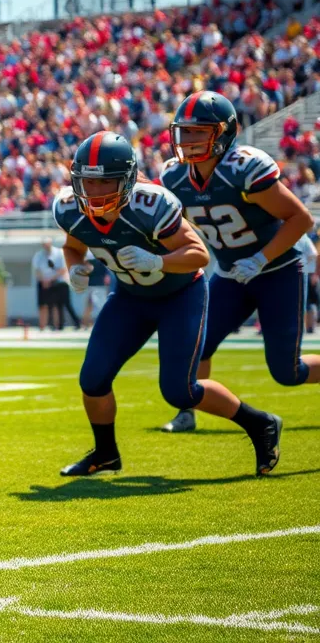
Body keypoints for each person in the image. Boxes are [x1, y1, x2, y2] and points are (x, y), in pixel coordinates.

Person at [57, 132, 282, 476]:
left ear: (129, 179)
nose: (96, 193)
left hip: (180, 294)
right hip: (131, 298)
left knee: (180, 391)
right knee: (93, 379)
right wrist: (74, 267)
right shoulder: (70, 207)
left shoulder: (152, 205)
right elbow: (74, 244)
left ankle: (260, 423)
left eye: (107, 183)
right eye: (88, 183)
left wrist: (157, 261)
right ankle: (106, 454)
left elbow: (199, 254)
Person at [157, 91, 320, 434]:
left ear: (223, 133)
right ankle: (188, 411)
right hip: (231, 272)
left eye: (198, 131)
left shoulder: (242, 169)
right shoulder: (174, 177)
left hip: (279, 269)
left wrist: (261, 259)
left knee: (287, 372)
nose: (187, 140)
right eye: (183, 131)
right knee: (196, 345)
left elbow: (301, 219)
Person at [32, 237, 66, 330]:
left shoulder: (59, 253)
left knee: (55, 304)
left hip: (55, 282)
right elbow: (37, 270)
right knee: (42, 305)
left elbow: (62, 269)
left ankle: (56, 326)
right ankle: (42, 326)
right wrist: (43, 280)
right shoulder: (39, 255)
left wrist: (50, 280)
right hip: (42, 282)